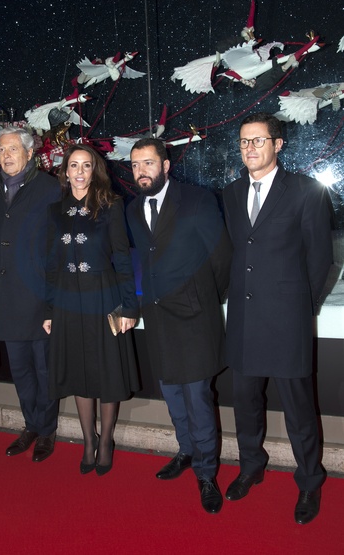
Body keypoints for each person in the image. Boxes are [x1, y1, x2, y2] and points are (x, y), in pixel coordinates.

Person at [222, 112, 333, 525]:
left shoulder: (305, 191)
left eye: (258, 140)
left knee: (299, 410)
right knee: (246, 405)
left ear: (278, 144)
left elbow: (320, 260)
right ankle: (251, 466)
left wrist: (301, 308)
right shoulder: (231, 193)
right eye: (244, 141)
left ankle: (309, 481)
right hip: (244, 320)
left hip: (287, 322)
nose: (249, 148)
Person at [126, 138, 232, 514]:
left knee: (198, 398)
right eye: (135, 164)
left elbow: (222, 258)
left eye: (148, 163)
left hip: (194, 318)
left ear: (166, 165)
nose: (141, 171)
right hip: (158, 319)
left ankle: (207, 473)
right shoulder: (133, 209)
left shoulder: (197, 200)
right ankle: (187, 451)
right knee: (171, 394)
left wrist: (202, 298)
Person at [43, 144, 140, 476]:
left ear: (95, 170)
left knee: (107, 370)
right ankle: (88, 440)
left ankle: (106, 440)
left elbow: (123, 258)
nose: (80, 172)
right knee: (78, 370)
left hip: (104, 297)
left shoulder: (111, 205)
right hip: (67, 300)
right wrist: (48, 310)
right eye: (74, 165)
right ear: (65, 171)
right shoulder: (54, 211)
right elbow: (51, 264)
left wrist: (129, 307)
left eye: (86, 165)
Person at [0, 126, 61, 462]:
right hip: (7, 298)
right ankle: (31, 425)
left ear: (30, 153)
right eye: (1, 149)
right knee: (20, 371)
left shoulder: (50, 188)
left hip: (39, 296)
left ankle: (47, 430)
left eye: (13, 149)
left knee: (44, 370)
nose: (6, 155)